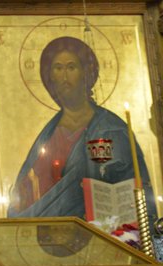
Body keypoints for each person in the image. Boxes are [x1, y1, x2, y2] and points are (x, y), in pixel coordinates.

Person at [8, 36, 157, 219]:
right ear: (50, 78)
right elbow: (25, 195)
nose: (64, 77)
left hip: (101, 232)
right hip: (48, 233)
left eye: (71, 67)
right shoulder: (48, 134)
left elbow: (134, 193)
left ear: (85, 74)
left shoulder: (112, 129)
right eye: (58, 68)